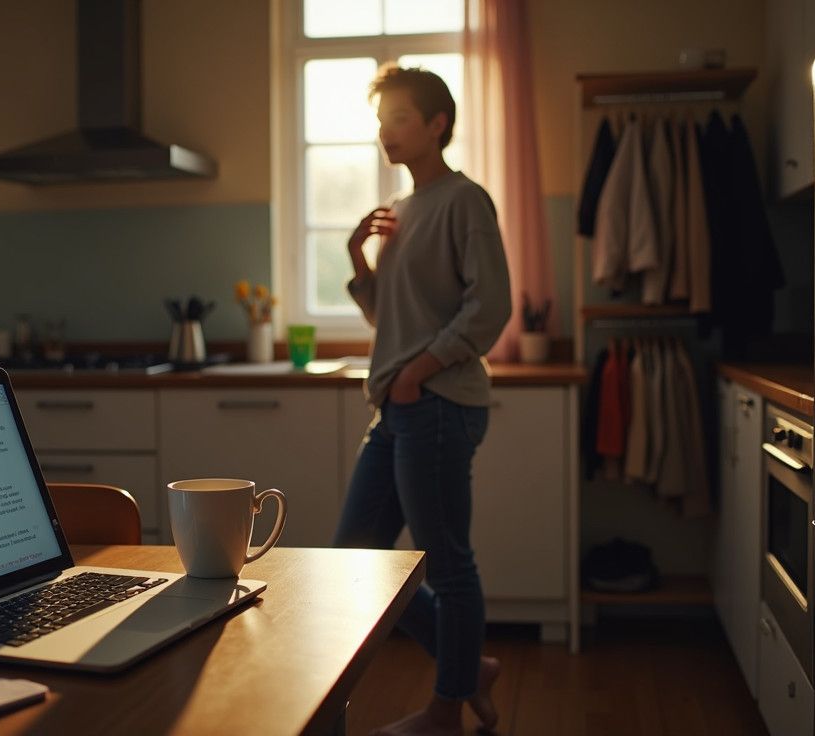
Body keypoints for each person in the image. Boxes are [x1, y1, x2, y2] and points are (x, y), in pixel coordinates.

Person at [334, 64, 512, 736]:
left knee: (446, 561)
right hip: (400, 406)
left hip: (437, 403)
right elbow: (393, 320)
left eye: (400, 117)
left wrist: (419, 373)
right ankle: (470, 669)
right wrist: (358, 256)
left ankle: (446, 709)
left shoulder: (465, 200)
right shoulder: (402, 211)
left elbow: (490, 306)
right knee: (355, 555)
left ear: (438, 124)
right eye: (382, 120)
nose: (387, 130)